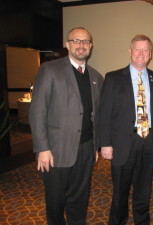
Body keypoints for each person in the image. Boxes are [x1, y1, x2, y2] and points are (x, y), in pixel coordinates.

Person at [29, 27, 103, 225]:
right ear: (67, 44)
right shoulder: (50, 69)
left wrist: (95, 147)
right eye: (76, 41)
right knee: (55, 200)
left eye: (85, 41)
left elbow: (95, 115)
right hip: (55, 150)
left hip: (86, 148)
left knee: (80, 198)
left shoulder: (96, 76)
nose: (81, 45)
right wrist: (42, 148)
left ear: (91, 46)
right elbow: (37, 111)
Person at [99, 34, 153, 225]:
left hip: (149, 141)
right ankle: (117, 221)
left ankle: (142, 221)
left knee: (144, 189)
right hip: (122, 143)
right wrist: (105, 144)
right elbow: (105, 114)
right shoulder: (113, 78)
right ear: (130, 51)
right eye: (137, 49)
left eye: (145, 50)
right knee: (120, 190)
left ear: (150, 54)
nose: (141, 53)